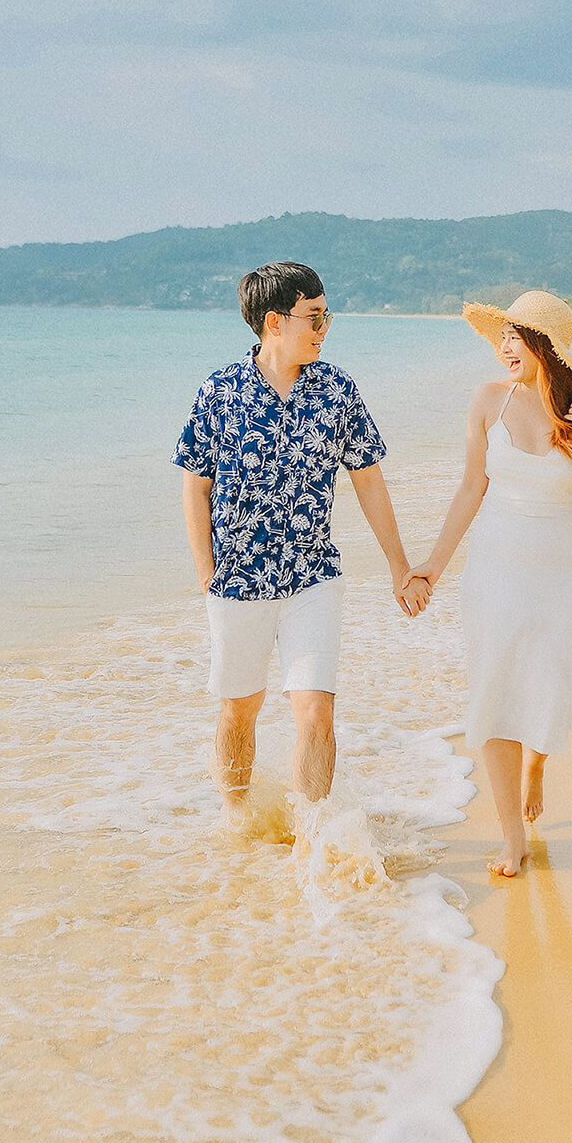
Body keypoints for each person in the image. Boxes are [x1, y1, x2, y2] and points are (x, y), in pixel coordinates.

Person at [175, 261, 428, 813]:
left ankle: (310, 838)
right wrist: (205, 570)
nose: (323, 329)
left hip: (314, 575)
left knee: (316, 711)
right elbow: (194, 486)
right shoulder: (218, 391)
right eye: (314, 317)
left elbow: (367, 478)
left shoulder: (337, 389)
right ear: (273, 322)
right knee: (238, 709)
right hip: (237, 580)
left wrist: (398, 566)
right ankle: (236, 824)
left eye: (326, 317)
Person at [403, 289, 572, 877]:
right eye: (501, 336)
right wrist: (432, 565)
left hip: (562, 570)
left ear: (545, 347)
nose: (504, 348)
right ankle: (510, 837)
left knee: (550, 683)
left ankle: (537, 764)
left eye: (515, 337)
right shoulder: (486, 401)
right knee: (496, 695)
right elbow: (471, 488)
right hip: (496, 569)